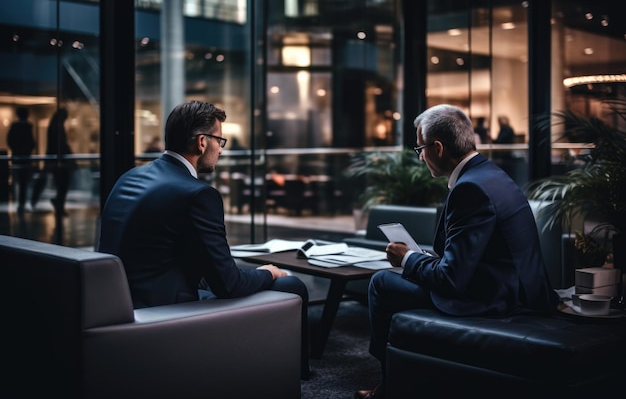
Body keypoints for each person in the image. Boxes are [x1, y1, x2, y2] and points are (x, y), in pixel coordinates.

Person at [354, 104, 559, 399]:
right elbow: (479, 253)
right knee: (411, 272)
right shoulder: (492, 175)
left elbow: (452, 279)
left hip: (495, 300)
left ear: (437, 148)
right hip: (515, 288)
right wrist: (423, 260)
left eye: (420, 148)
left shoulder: (469, 190)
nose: (420, 156)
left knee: (383, 282)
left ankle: (390, 384)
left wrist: (409, 258)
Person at [97, 100, 310, 379]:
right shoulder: (197, 194)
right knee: (291, 283)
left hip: (118, 303)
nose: (220, 149)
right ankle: (297, 374)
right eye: (219, 140)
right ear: (201, 142)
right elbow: (229, 286)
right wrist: (267, 273)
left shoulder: (130, 177)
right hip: (165, 310)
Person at [31, 107, 76, 216]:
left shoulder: (54, 126)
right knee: (62, 184)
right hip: (58, 161)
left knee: (60, 184)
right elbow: (60, 144)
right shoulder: (57, 127)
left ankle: (58, 204)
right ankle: (59, 205)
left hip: (54, 159)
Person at [7, 107, 36, 214]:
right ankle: (20, 203)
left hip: (19, 157)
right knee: (22, 182)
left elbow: (10, 140)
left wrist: (16, 150)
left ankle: (19, 203)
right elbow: (31, 142)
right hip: (24, 157)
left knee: (19, 180)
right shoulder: (28, 127)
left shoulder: (16, 126)